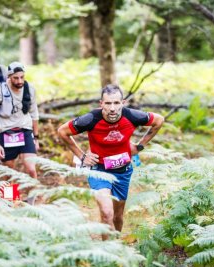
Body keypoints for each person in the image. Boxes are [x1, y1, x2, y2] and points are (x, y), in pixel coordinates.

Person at [58, 84, 164, 238]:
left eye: (116, 103)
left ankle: (116, 249)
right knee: (107, 213)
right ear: (101, 103)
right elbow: (62, 131)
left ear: (123, 103)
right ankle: (108, 253)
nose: (112, 108)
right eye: (108, 103)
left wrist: (139, 146)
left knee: (117, 216)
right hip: (98, 170)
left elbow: (159, 120)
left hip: (122, 171)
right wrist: (82, 156)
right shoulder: (91, 118)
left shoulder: (132, 116)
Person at [0, 61, 40, 179]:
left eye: (22, 77)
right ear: (9, 77)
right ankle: (11, 197)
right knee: (9, 172)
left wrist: (36, 138)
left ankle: (35, 197)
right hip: (6, 132)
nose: (20, 81)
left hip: (25, 131)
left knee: (31, 169)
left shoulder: (29, 89)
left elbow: (34, 115)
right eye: (16, 78)